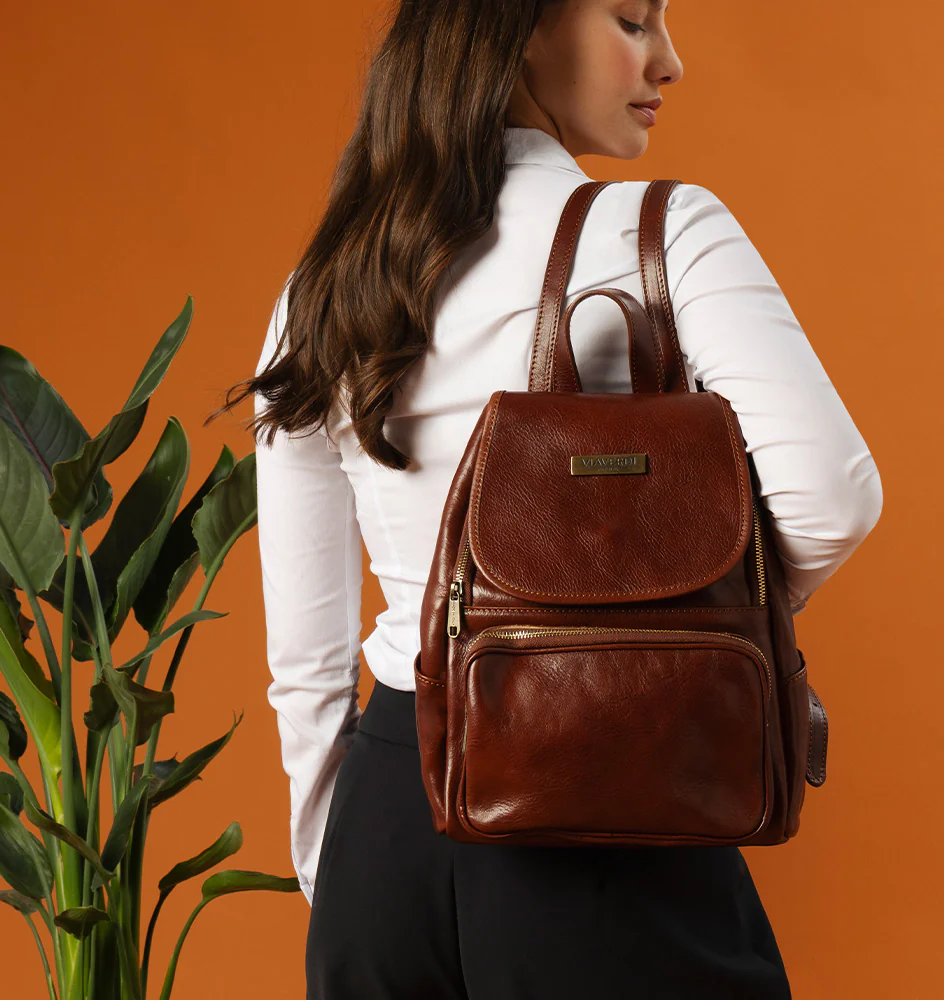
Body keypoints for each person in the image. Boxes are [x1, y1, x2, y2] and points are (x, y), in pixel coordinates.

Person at [223, 1, 883, 996]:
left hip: (386, 813)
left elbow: (306, 653)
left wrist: (336, 851)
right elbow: (833, 497)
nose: (669, 61)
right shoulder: (664, 233)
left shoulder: (326, 285)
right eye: (632, 18)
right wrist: (678, 638)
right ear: (523, 26)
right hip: (600, 787)